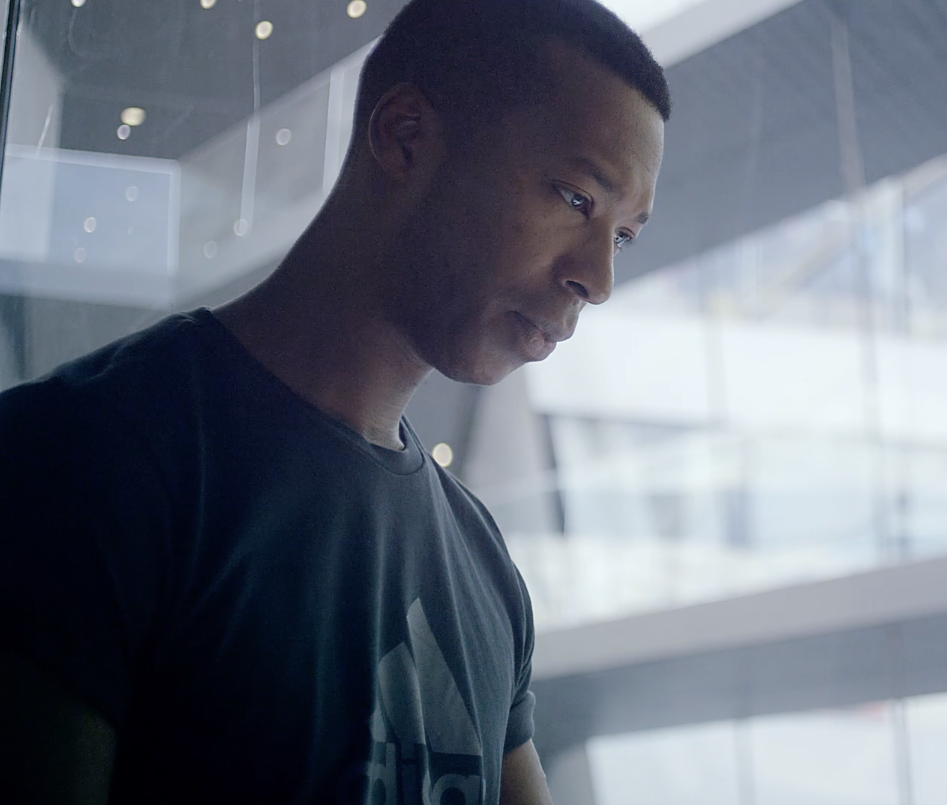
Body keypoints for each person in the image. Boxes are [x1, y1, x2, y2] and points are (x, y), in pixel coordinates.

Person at [0, 0, 668, 802]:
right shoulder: (76, 460)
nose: (597, 278)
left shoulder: (483, 567)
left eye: (622, 235)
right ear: (406, 135)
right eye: (574, 198)